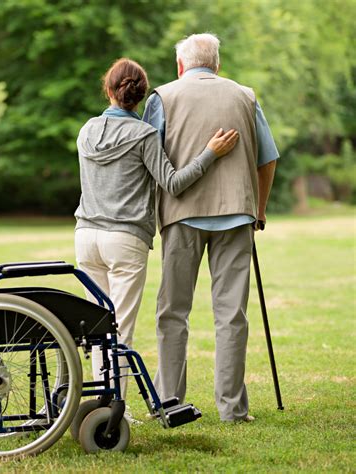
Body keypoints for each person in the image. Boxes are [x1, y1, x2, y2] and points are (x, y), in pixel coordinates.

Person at [74, 57, 239, 403]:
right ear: (142, 96)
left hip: (85, 236)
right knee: (119, 330)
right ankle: (114, 407)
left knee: (97, 327)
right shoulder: (143, 134)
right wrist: (210, 153)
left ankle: (102, 402)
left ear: (108, 90)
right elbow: (173, 183)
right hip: (124, 239)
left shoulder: (86, 131)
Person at [143, 33, 279, 422]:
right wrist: (260, 209)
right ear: (216, 65)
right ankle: (233, 409)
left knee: (172, 312)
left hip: (181, 216)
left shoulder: (163, 97)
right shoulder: (245, 96)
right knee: (231, 315)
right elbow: (267, 160)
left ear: (181, 66)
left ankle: (169, 400)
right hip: (237, 214)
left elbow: (150, 159)